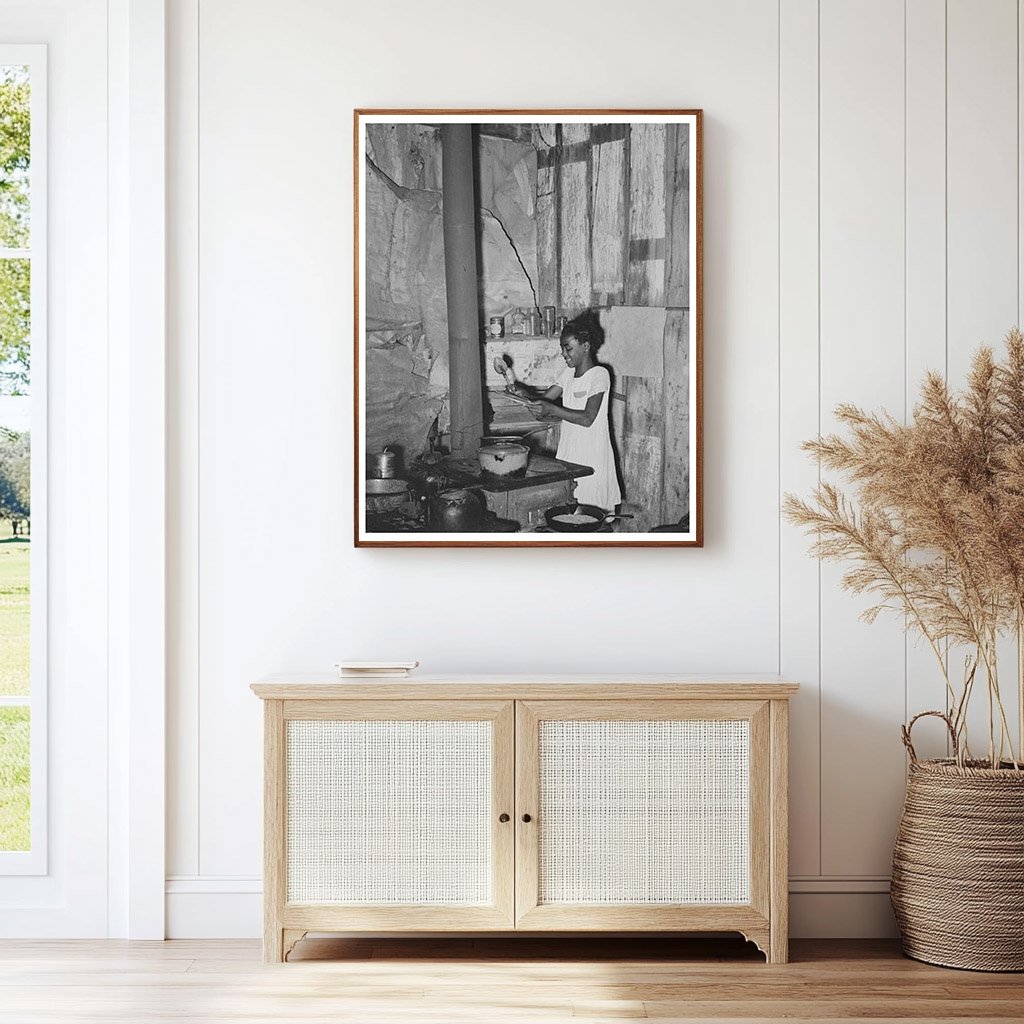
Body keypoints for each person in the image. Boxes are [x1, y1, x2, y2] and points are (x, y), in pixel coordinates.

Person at [513, 314, 621, 511]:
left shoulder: (599, 375)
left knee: (590, 513)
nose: (564, 353)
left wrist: (551, 409)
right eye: (562, 348)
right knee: (569, 508)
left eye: (568, 348)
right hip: (569, 451)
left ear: (585, 346)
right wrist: (522, 395)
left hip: (592, 454)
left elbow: (588, 418)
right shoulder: (567, 374)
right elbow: (545, 402)